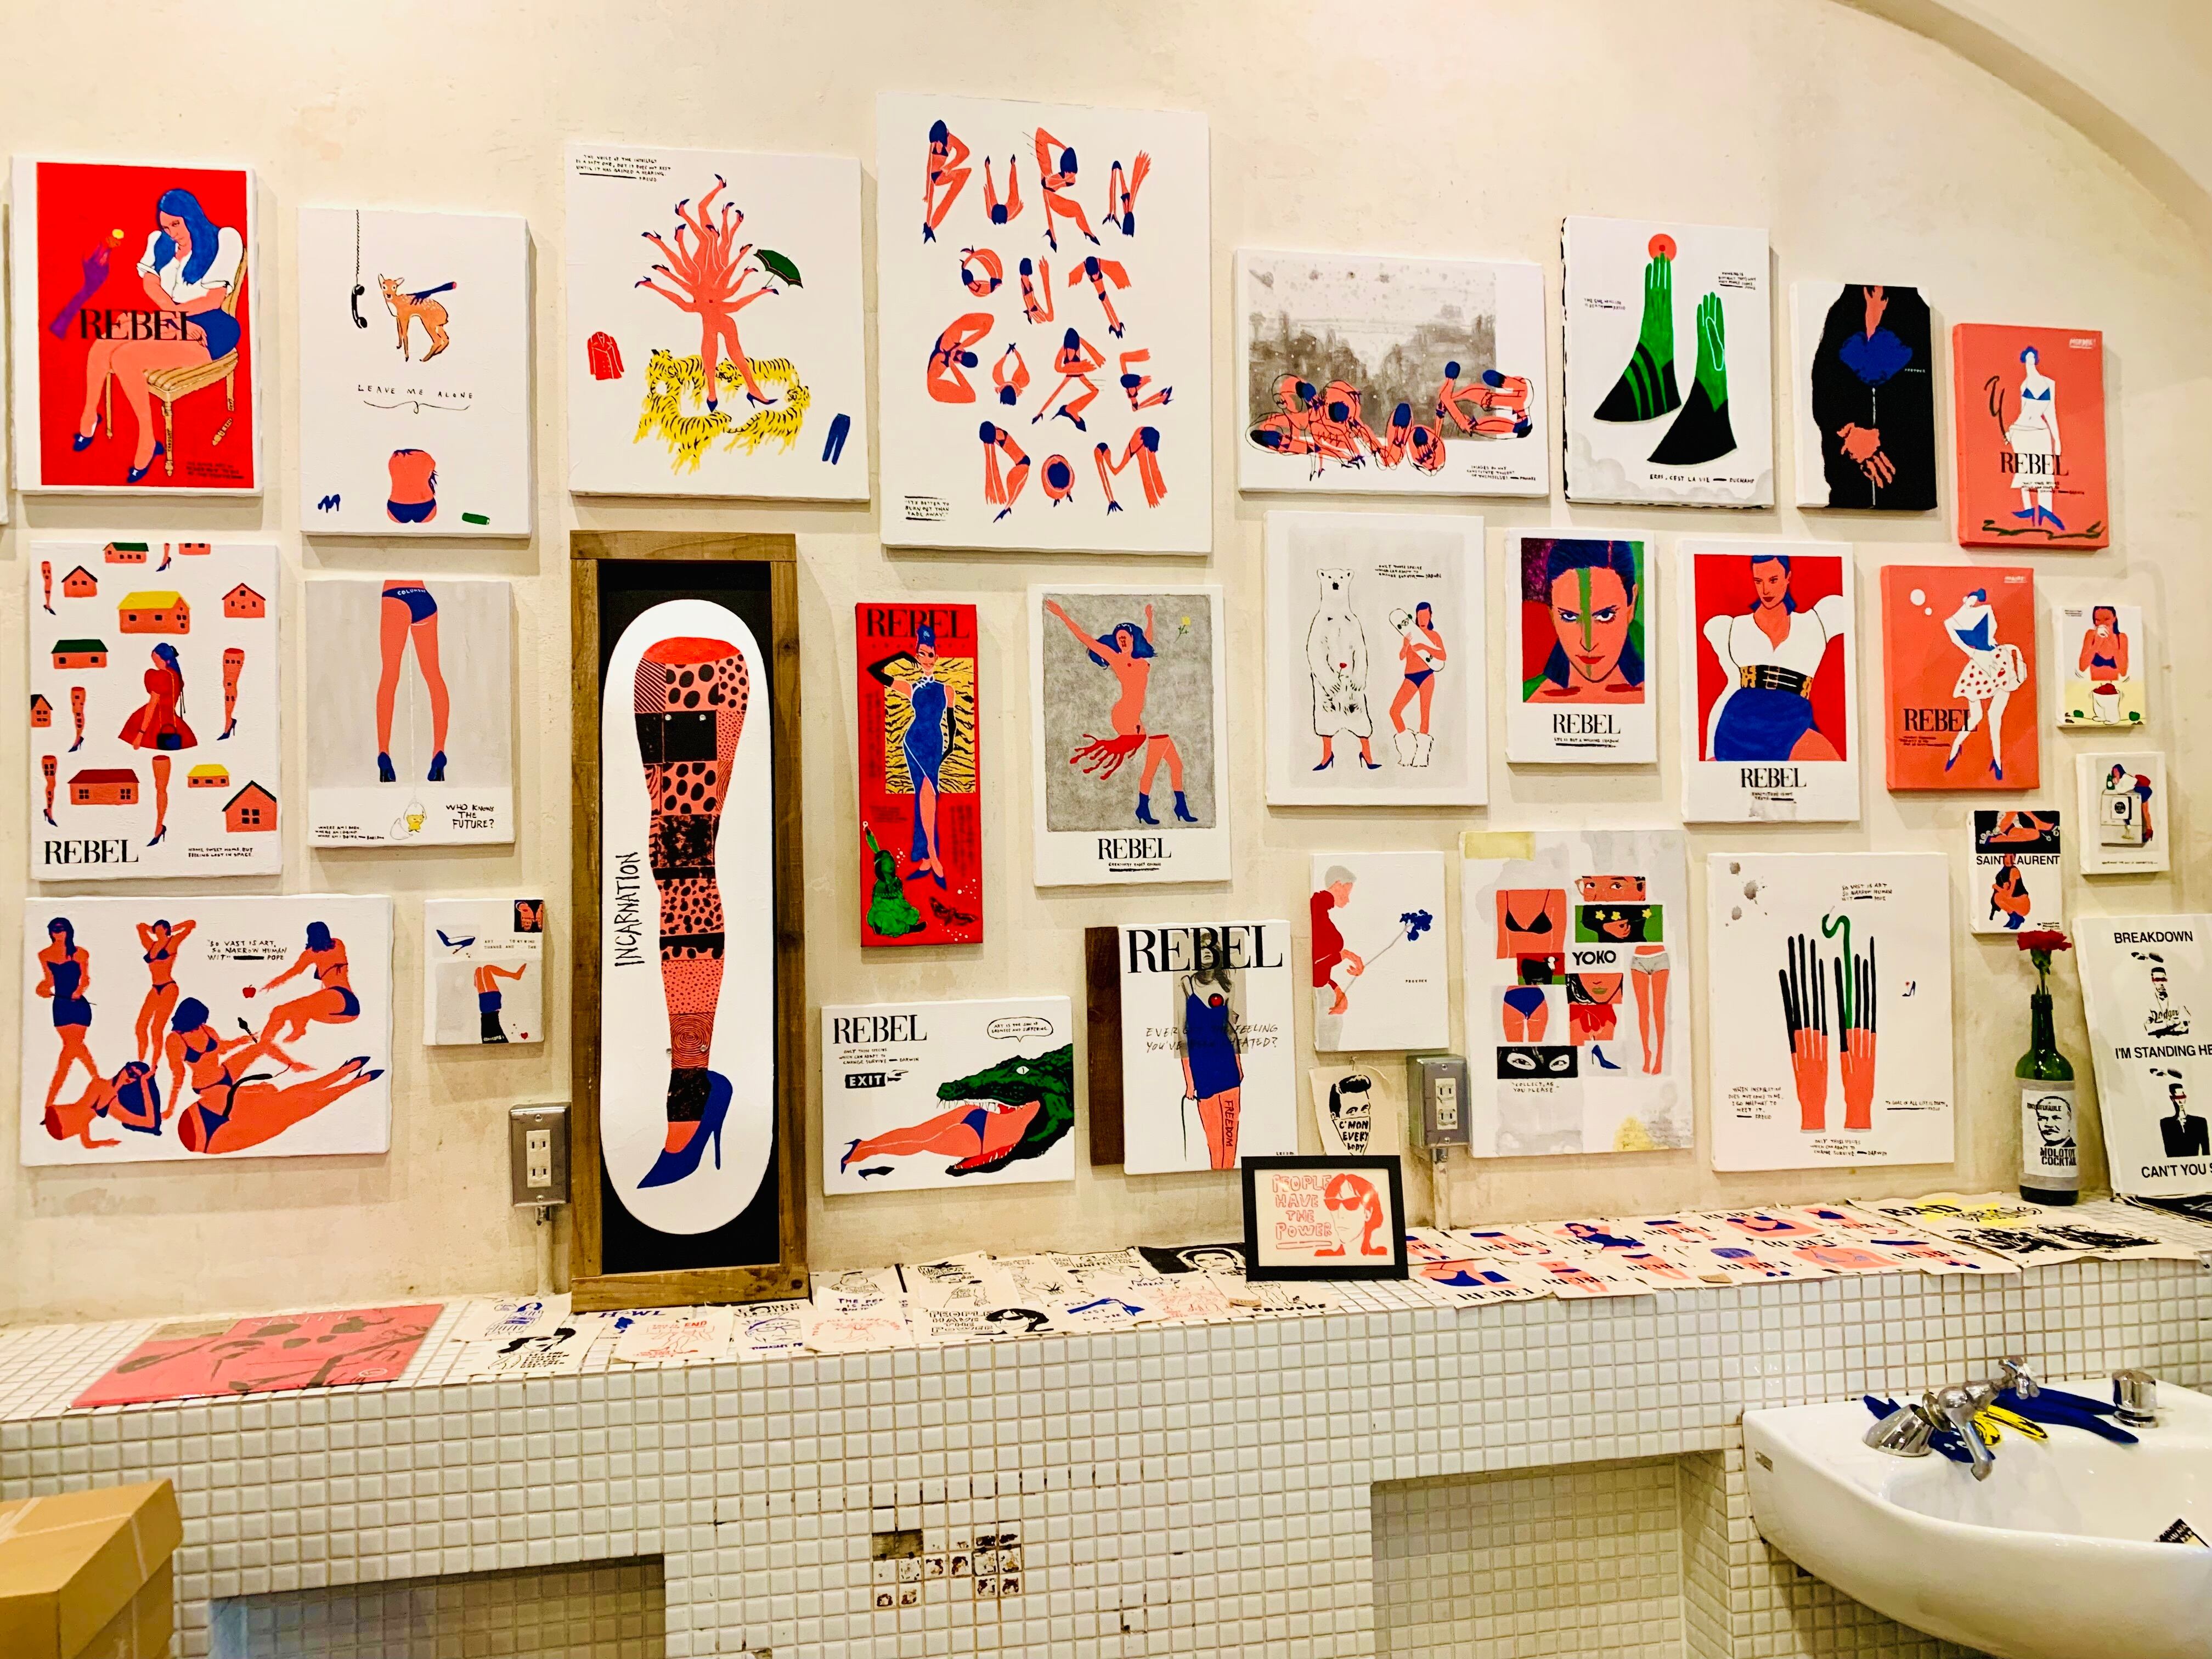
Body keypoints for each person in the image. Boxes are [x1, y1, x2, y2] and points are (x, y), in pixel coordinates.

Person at [73, 188, 245, 483]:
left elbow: (213, 300)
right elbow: (150, 283)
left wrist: (176, 318)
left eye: (176, 224)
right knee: (105, 342)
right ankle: (89, 416)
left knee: (126, 357)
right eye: (166, 227)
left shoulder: (224, 239)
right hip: (174, 318)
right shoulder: (160, 241)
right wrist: (174, 317)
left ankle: (147, 440)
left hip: (212, 327)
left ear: (192, 217)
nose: (172, 233)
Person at [164, 997, 381, 1155]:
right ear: (189, 1018)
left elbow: (222, 1048)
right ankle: (350, 1079)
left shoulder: (206, 1029)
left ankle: (297, 1065)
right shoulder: (175, 1040)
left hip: (224, 1071)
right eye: (199, 1020)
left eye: (203, 1020)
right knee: (283, 1102)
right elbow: (178, 1075)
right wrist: (171, 1108)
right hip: (209, 1087)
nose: (202, 1024)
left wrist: (244, 1040)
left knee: (262, 1046)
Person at [1045, 600, 1193, 827]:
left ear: (1133, 639)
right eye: (1119, 637)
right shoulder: (1115, 658)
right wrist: (1062, 615)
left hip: (1141, 718)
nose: (1122, 639)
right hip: (1126, 716)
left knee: (1173, 763)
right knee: (1157, 757)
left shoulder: (1141, 658)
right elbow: (1085, 638)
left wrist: (1149, 618)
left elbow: (1148, 637)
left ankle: (1156, 807)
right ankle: (1166, 807)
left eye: (1126, 636)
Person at [1701, 553, 1848, 762]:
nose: (1765, 590)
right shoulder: (1733, 628)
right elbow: (1731, 686)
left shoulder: (1816, 622)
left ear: (1788, 577)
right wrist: (1710, 753)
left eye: (1773, 580)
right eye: (1758, 581)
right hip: (1740, 726)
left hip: (1793, 720)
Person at [1807, 283, 1934, 510]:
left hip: (1910, 494)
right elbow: (1825, 387)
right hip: (1847, 493)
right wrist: (1850, 432)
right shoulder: (1842, 315)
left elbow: (1929, 406)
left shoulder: (1921, 321)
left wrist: (1880, 438)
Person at [1525, 540, 1641, 708]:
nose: (1588, 643)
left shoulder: (1659, 694)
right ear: (1551, 613)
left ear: (1631, 606)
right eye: (1569, 617)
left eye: (1605, 615)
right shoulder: (1526, 696)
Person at [247, 921, 359, 1069]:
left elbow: (294, 972)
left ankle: (266, 1043)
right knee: (297, 1009)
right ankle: (294, 1032)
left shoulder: (311, 953)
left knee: (281, 1010)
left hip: (337, 996)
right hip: (351, 1008)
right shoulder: (338, 944)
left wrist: (271, 984)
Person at [1940, 588, 2027, 780]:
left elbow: (1989, 633)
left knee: (1995, 717)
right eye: (1972, 599)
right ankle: (1956, 747)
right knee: (1977, 716)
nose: (1973, 602)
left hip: (1999, 661)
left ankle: (1997, 761)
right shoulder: (1954, 623)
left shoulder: (1985, 611)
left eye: (1975, 599)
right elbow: (1957, 639)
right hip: (1980, 665)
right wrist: (1974, 653)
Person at [891, 624, 951, 887]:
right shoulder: (911, 687)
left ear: (937, 656)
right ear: (916, 657)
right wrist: (899, 656)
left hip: (935, 743)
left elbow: (952, 723)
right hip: (914, 742)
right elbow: (874, 672)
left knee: (925, 797)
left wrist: (950, 747)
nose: (926, 659)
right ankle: (934, 856)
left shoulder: (946, 689)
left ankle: (925, 856)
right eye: (921, 654)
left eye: (930, 654)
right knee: (927, 794)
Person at [118, 642, 195, 845]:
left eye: (156, 659)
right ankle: (159, 826)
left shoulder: (160, 677)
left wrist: (140, 734)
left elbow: (153, 706)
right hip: (172, 725)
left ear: (165, 659)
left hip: (156, 729)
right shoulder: (176, 676)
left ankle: (159, 826)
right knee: (161, 785)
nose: (154, 662)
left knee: (160, 785)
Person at [376, 581, 451, 784]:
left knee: (390, 675)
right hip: (423, 597)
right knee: (434, 675)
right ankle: (439, 753)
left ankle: (384, 754)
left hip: (395, 598)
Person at [1179, 960, 1243, 1170]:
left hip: (1227, 1067)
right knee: (1214, 1136)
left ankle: (1228, 1176)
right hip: (1201, 1069)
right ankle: (1218, 1176)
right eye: (1202, 947)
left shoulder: (1228, 987)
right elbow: (1182, 1037)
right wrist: (1189, 1082)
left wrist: (1239, 1065)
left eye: (1210, 947)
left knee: (1230, 1135)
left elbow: (1230, 1031)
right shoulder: (1187, 984)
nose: (1206, 951)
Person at [35, 918, 98, 1114]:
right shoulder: (44, 955)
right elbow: (49, 981)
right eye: (54, 930)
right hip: (60, 1006)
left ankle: (50, 1102)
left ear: (68, 931)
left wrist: (78, 992)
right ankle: (98, 1082)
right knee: (73, 1049)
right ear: (50, 932)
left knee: (70, 1050)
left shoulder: (80, 953)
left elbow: (85, 979)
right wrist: (42, 989)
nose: (58, 933)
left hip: (78, 1005)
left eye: (61, 929)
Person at [43, 1060, 163, 1150]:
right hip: (58, 1114)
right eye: (130, 1071)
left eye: (136, 1077)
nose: (130, 1077)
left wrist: (144, 1084)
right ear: (124, 1068)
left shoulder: (114, 1105)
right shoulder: (99, 1084)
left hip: (66, 1129)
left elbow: (150, 1123)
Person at [2006, 346, 2064, 529]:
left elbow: (2051, 413)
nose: (2030, 360)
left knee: (2044, 472)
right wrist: (2011, 431)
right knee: (2025, 470)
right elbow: (2023, 412)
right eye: (2028, 357)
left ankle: (2046, 511)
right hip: (2021, 430)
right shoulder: (2024, 385)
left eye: (2033, 357)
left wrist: (2057, 439)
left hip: (2040, 430)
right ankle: (2028, 510)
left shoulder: (2049, 383)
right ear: (2024, 360)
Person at [1387, 602, 1448, 767]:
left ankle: (1421, 756)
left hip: (1427, 675)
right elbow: (1402, 656)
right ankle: (1408, 749)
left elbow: (1443, 656)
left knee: (1424, 714)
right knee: (1394, 711)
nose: (1422, 619)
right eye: (1420, 616)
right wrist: (1406, 645)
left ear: (1430, 616)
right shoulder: (1409, 634)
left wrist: (1423, 647)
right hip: (1411, 677)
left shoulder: (1434, 636)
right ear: (1416, 616)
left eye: (1425, 616)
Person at [134, 918, 196, 1063]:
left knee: (156, 1029)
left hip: (169, 988)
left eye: (161, 928)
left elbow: (191, 924)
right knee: (140, 1026)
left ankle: (153, 1065)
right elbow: (140, 926)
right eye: (156, 929)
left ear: (166, 929)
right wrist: (153, 929)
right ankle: (140, 1061)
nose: (157, 931)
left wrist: (171, 929)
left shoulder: (173, 942)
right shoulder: (151, 946)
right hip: (155, 988)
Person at [1311, 866, 1363, 1018]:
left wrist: (1336, 989)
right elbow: (1315, 965)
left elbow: (1318, 968)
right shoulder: (1317, 907)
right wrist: (1345, 955)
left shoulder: (1320, 910)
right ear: (1338, 884)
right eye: (1347, 892)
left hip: (1324, 997)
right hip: (1319, 1002)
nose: (1348, 899)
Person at [2076, 605, 2130, 723]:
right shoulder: (2090, 635)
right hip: (2093, 685)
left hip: (2114, 686)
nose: (2102, 624)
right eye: (2098, 620)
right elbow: (2082, 666)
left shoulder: (2121, 638)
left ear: (2114, 619)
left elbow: (2123, 671)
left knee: (2112, 710)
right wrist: (2097, 643)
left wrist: (2111, 641)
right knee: (2097, 709)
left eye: (2107, 619)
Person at [1316, 1173, 1387, 1259]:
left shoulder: (1382, 1256)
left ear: (1367, 1213)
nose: (1340, 1215)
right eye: (1333, 1204)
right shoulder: (1322, 1257)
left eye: (1351, 1204)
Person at [474, 961, 527, 1043]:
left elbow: (476, 984)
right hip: (488, 1003)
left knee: (481, 970)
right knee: (483, 969)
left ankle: (515, 976)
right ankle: (515, 976)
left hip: (486, 1005)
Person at [2161, 1080, 2209, 1159]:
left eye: (2183, 1097)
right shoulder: (2166, 1123)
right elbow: (2169, 1150)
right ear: (2172, 1099)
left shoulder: (2200, 1122)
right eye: (2177, 1098)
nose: (2181, 1102)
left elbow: (2206, 1152)